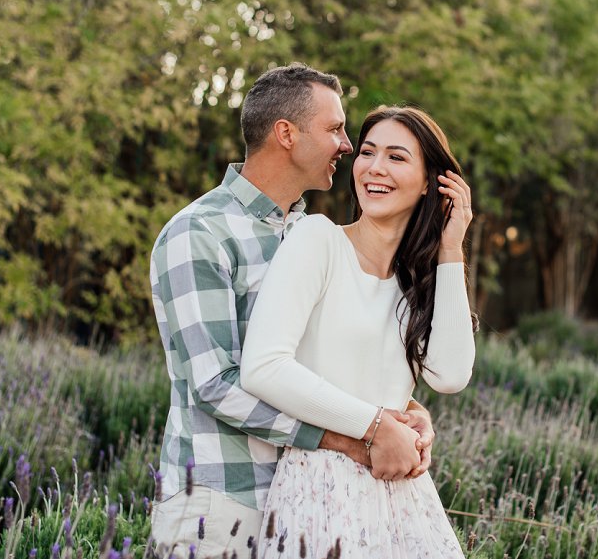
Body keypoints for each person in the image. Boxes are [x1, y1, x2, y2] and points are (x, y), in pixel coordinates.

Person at [149, 65, 436, 559]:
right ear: (286, 134)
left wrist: (406, 415)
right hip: (221, 500)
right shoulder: (198, 234)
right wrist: (353, 439)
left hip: (310, 505)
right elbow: (216, 383)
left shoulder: (317, 237)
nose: (347, 145)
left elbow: (333, 364)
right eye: (334, 129)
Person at [241, 105, 477, 558]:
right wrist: (375, 425)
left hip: (403, 497)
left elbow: (449, 376)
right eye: (368, 152)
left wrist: (451, 248)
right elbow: (263, 367)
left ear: (431, 181)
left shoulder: (417, 283)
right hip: (319, 487)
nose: (375, 168)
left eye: (397, 157)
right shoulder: (318, 240)